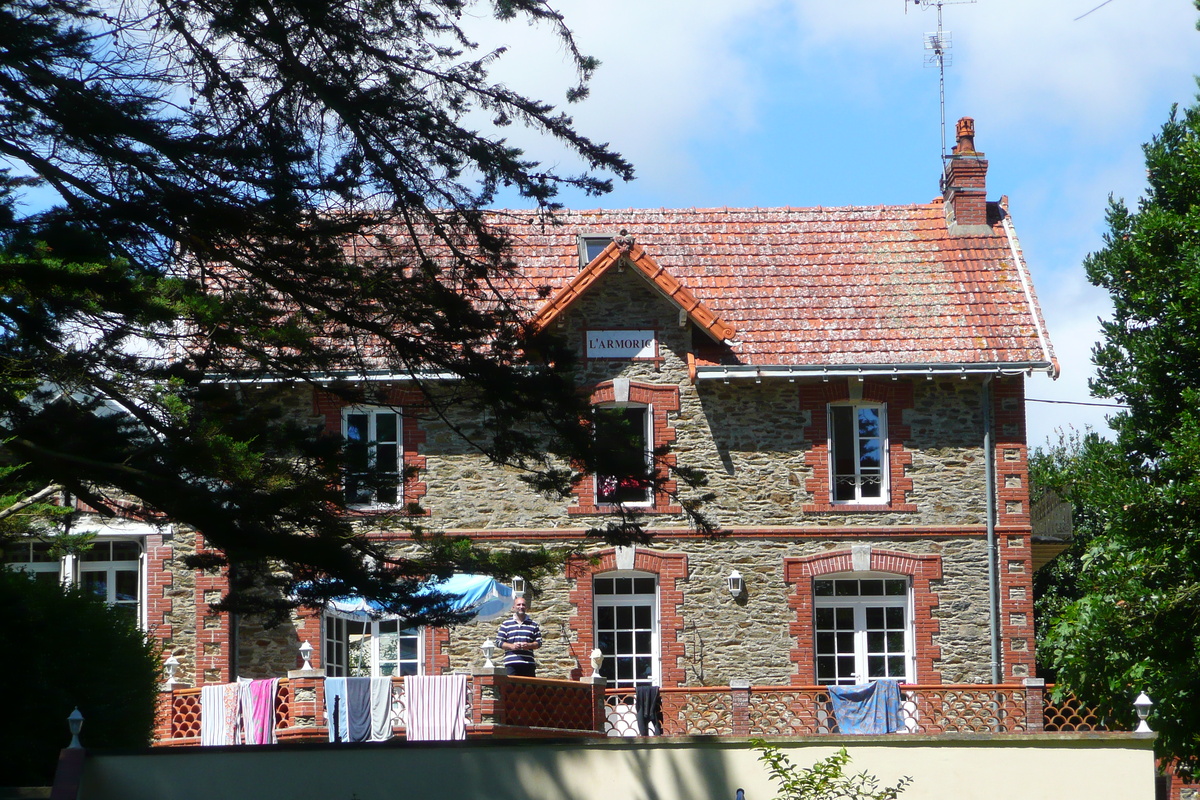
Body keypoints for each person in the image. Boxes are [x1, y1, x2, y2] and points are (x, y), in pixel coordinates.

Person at [495, 596, 543, 677]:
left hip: (528, 664)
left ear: (526, 607)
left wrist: (528, 645)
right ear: (513, 607)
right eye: (518, 605)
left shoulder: (533, 625)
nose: (521, 607)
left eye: (523, 605)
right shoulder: (506, 624)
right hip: (511, 664)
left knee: (528, 688)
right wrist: (512, 646)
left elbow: (539, 643)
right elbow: (498, 642)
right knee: (511, 688)